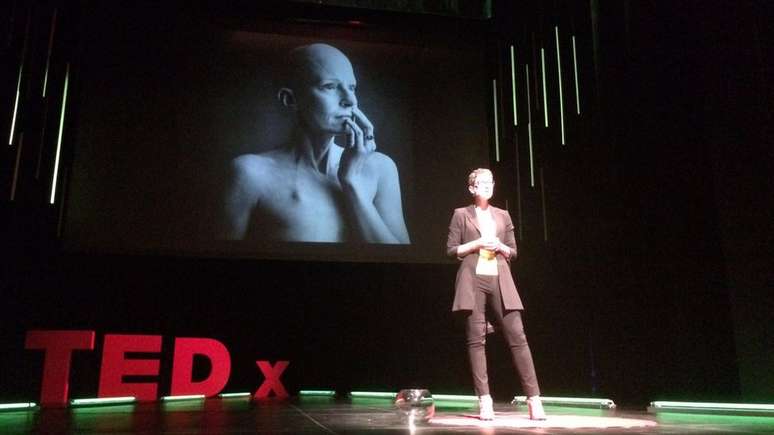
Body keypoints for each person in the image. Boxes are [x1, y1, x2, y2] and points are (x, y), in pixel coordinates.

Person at [221, 43, 410, 244]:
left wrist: (352, 183)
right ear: (290, 99)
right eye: (329, 86)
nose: (350, 100)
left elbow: (402, 266)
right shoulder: (251, 174)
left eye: (352, 87)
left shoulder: (380, 168)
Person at [446, 168, 545, 421]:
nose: (487, 186)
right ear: (472, 188)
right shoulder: (461, 214)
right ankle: (485, 401)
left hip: (500, 277)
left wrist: (500, 246)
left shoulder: (503, 215)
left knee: (517, 336)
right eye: (481, 183)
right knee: (476, 340)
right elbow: (451, 250)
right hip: (473, 278)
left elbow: (513, 251)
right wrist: (478, 243)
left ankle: (534, 399)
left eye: (490, 182)